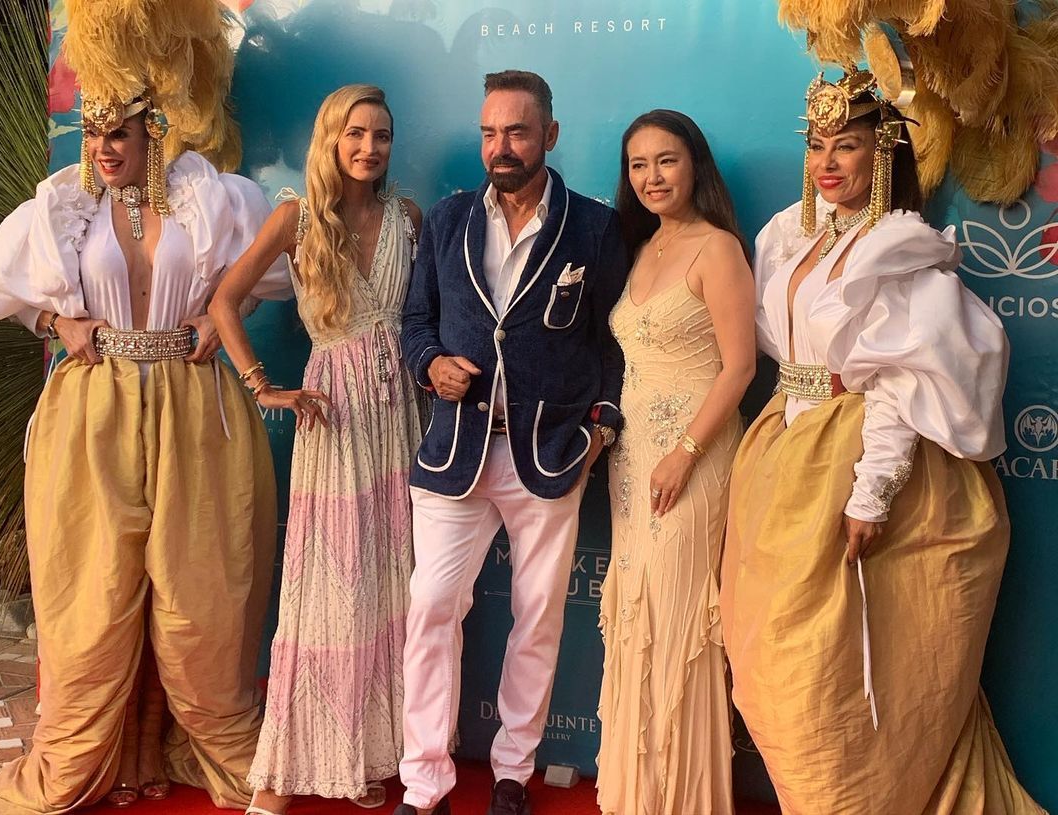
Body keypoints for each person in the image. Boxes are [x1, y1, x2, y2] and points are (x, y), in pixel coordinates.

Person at [0, 21, 289, 815]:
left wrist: (221, 314)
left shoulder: (212, 198)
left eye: (116, 132)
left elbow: (285, 272)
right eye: (92, 132)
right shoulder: (63, 205)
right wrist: (54, 321)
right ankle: (104, 753)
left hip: (197, 409)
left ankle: (184, 741)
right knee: (95, 593)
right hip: (93, 410)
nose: (102, 148)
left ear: (154, 129)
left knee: (199, 596)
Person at [720, 67, 1046, 814]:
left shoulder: (895, 249)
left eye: (847, 145)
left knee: (840, 671)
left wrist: (871, 494)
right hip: (784, 453)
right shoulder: (789, 235)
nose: (827, 162)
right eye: (816, 145)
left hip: (855, 457)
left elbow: (900, 380)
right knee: (770, 663)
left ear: (885, 150)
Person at [395, 69, 629, 815]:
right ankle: (424, 781)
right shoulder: (447, 219)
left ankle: (511, 773)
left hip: (551, 453)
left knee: (538, 617)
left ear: (549, 135)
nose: (501, 146)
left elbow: (616, 341)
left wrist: (601, 426)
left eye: (518, 132)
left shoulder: (594, 227)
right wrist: (430, 364)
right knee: (432, 606)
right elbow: (415, 323)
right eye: (490, 132)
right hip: (456, 451)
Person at [209, 83, 423, 815]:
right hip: (333, 417)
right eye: (355, 133)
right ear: (331, 138)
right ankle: (283, 771)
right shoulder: (295, 218)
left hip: (401, 416)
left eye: (382, 135)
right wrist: (262, 385)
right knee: (330, 590)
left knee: (393, 587)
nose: (369, 147)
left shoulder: (408, 218)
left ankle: (367, 751)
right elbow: (224, 301)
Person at [597, 110, 754, 815]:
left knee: (682, 621)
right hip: (633, 461)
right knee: (638, 614)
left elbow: (740, 367)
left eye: (666, 160)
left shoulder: (717, 249)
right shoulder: (641, 247)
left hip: (695, 454)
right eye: (638, 165)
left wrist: (686, 453)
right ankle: (637, 795)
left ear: (695, 166)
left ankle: (685, 800)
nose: (652, 176)